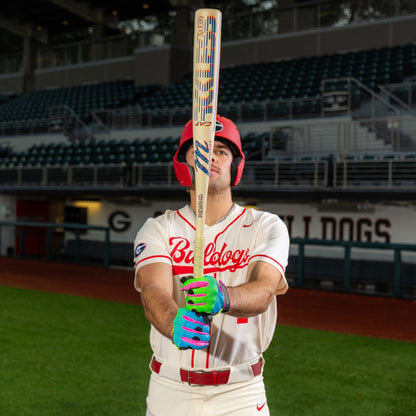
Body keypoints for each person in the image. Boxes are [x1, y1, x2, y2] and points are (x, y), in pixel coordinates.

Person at [133, 115, 290, 416]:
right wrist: (171, 320)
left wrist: (225, 296)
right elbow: (152, 290)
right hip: (170, 389)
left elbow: (264, 289)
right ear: (183, 164)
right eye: (200, 149)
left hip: (241, 391)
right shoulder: (158, 228)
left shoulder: (264, 225)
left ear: (236, 165)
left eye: (221, 150)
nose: (211, 156)